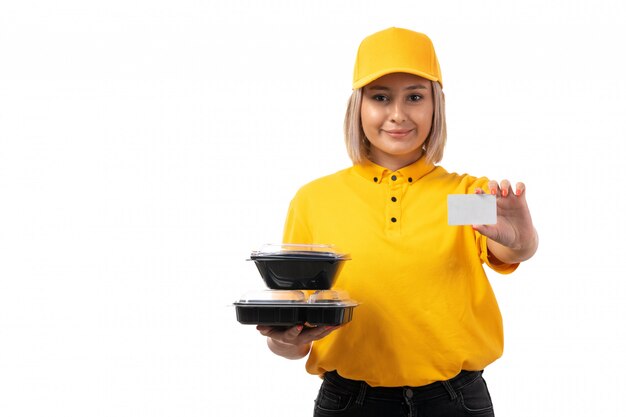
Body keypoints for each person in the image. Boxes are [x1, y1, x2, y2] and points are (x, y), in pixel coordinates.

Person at [257, 27, 538, 417]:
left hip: (455, 403)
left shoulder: (462, 197)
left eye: (415, 97)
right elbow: (290, 334)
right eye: (380, 97)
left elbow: (511, 248)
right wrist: (285, 341)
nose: (398, 114)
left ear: (435, 105)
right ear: (358, 106)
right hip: (349, 403)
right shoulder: (315, 201)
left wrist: (522, 238)